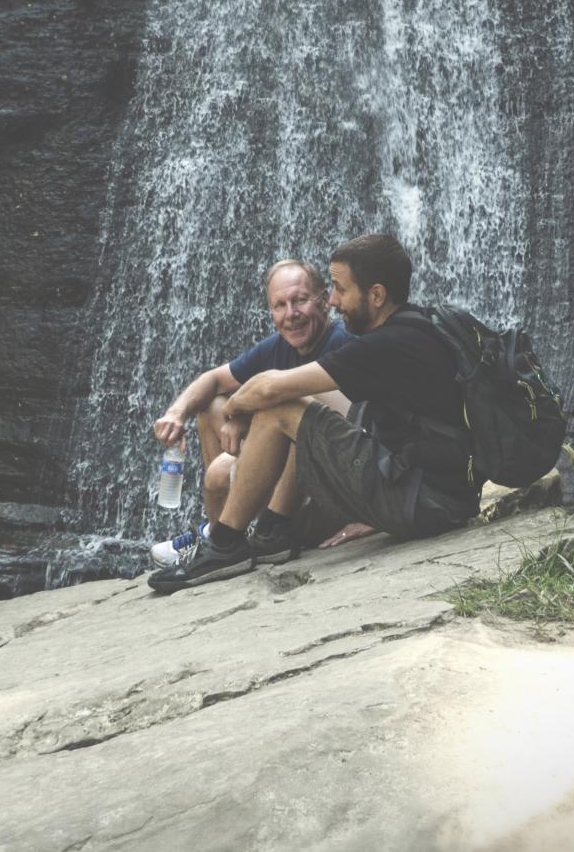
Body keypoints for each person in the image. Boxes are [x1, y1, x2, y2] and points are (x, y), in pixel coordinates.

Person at [148, 233, 480, 592]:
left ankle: (227, 543)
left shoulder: (379, 346)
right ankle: (267, 530)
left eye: (339, 289)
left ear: (376, 295)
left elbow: (273, 389)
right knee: (285, 401)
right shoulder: (413, 328)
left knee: (282, 408)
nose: (334, 301)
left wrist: (236, 411)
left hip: (427, 503)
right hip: (435, 494)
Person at [149, 259, 354, 567]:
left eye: (299, 300)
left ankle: (225, 538)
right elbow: (215, 379)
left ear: (324, 301)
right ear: (271, 312)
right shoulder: (277, 347)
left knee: (223, 470)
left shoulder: (342, 343)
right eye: (280, 305)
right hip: (284, 471)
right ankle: (221, 531)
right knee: (209, 407)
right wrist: (177, 414)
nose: (291, 315)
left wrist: (240, 413)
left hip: (326, 490)